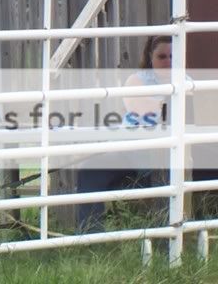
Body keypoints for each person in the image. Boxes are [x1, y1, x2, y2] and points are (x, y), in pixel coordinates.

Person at [75, 36, 176, 232]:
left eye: (173, 56)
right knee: (90, 169)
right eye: (162, 56)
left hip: (165, 154)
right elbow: (144, 108)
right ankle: (91, 236)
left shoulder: (186, 81)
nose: (168, 62)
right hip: (131, 152)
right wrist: (170, 103)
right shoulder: (137, 80)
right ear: (150, 57)